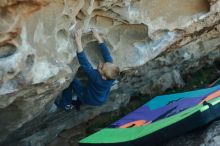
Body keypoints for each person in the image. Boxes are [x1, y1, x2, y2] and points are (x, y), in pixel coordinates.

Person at [55, 28, 120, 111]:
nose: (101, 64)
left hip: (88, 98)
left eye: (101, 67)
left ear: (103, 77)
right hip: (101, 99)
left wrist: (78, 41)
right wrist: (97, 36)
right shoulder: (110, 73)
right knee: (88, 92)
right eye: (104, 63)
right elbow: (107, 55)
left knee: (70, 80)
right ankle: (78, 102)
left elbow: (85, 64)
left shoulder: (96, 78)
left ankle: (66, 104)